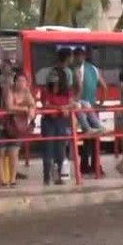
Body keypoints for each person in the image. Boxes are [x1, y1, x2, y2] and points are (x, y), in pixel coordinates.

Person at [41, 48, 76, 185]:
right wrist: (61, 108)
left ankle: (58, 176)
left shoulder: (65, 92)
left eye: (56, 81)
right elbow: (46, 104)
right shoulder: (46, 92)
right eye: (52, 82)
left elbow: (72, 103)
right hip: (49, 121)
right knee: (48, 150)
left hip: (61, 121)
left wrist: (64, 108)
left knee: (60, 150)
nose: (54, 84)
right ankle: (46, 177)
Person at [0, 73, 36, 187]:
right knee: (1, 152)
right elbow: (9, 106)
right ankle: (2, 180)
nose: (22, 83)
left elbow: (32, 104)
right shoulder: (9, 90)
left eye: (24, 81)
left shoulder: (27, 92)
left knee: (14, 153)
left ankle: (12, 179)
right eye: (19, 81)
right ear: (15, 81)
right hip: (2, 125)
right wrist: (24, 109)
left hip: (17, 126)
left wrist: (32, 109)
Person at [72, 47, 105, 176]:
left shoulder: (75, 69)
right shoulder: (94, 69)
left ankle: (86, 165)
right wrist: (100, 103)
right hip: (91, 106)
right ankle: (95, 166)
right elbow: (104, 86)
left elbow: (78, 87)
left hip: (81, 106)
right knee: (93, 137)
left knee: (87, 136)